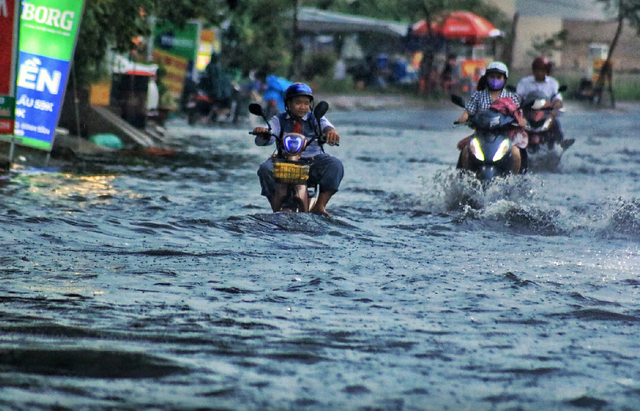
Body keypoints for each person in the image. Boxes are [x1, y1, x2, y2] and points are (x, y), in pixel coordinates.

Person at [252, 83, 343, 217]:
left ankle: (320, 205)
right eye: (298, 103)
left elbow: (327, 126)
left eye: (306, 103)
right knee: (265, 169)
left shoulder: (315, 118)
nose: (302, 107)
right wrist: (263, 132)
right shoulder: (279, 119)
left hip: (313, 161)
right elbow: (270, 131)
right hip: (284, 160)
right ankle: (275, 205)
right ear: (288, 103)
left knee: (335, 165)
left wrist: (331, 132)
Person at [456, 61, 526, 174]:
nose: (495, 80)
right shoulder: (478, 96)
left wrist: (521, 121)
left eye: (499, 77)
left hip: (503, 136)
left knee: (516, 153)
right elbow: (468, 111)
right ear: (486, 77)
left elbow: (518, 114)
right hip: (480, 135)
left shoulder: (511, 97)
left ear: (504, 79)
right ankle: (464, 179)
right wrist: (464, 117)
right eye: (492, 76)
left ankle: (514, 180)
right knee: (465, 152)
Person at [516, 56, 568, 146]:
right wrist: (516, 103)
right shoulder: (524, 82)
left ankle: (561, 141)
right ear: (533, 70)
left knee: (554, 122)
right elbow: (517, 96)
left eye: (543, 70)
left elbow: (557, 97)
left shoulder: (553, 83)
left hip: (545, 112)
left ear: (547, 71)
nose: (540, 73)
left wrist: (557, 103)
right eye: (537, 70)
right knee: (515, 123)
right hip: (528, 111)